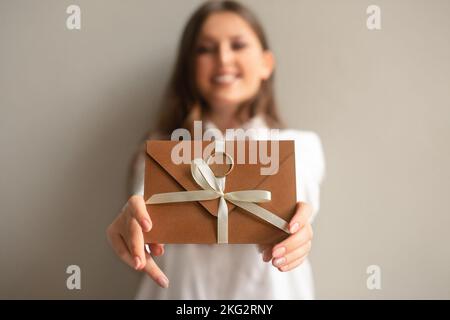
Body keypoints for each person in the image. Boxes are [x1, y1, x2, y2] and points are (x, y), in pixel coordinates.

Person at [106, 0, 325, 299]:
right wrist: (133, 225)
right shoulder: (159, 149)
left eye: (238, 45)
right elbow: (145, 213)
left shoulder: (302, 145)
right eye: (205, 49)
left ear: (266, 63)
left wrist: (300, 229)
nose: (223, 58)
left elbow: (301, 202)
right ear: (189, 69)